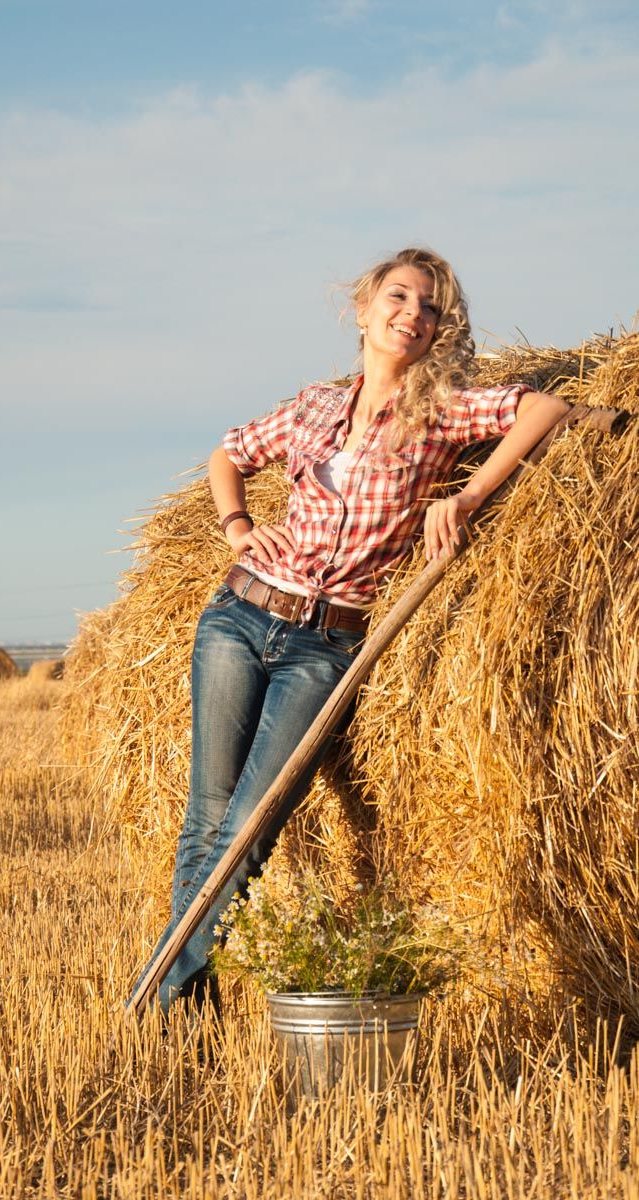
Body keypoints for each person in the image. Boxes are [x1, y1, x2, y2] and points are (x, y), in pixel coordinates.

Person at [130, 246, 569, 1019]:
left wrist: (466, 497)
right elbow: (227, 453)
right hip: (237, 617)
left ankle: (166, 993)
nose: (413, 314)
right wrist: (237, 527)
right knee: (207, 815)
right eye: (399, 297)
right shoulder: (311, 407)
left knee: (253, 823)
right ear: (363, 310)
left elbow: (545, 410)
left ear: (441, 328)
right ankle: (182, 1008)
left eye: (431, 306)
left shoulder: (442, 411)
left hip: (323, 646)